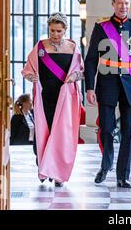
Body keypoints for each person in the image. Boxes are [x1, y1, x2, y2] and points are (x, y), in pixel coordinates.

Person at [84, 0, 131, 188]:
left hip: (130, 86)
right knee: (106, 128)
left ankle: (123, 175)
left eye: (127, 3)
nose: (123, 7)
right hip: (107, 84)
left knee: (128, 131)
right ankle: (106, 165)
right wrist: (89, 87)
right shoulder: (102, 27)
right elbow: (90, 60)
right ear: (113, 4)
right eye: (120, 3)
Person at [22, 12, 84, 187]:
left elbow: (81, 72)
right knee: (44, 133)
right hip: (45, 97)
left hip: (65, 99)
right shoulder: (40, 47)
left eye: (59, 31)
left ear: (65, 30)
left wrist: (75, 77)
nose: (55, 35)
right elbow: (28, 69)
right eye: (52, 31)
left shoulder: (72, 48)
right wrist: (30, 77)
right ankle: (43, 166)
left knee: (61, 136)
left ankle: (57, 174)